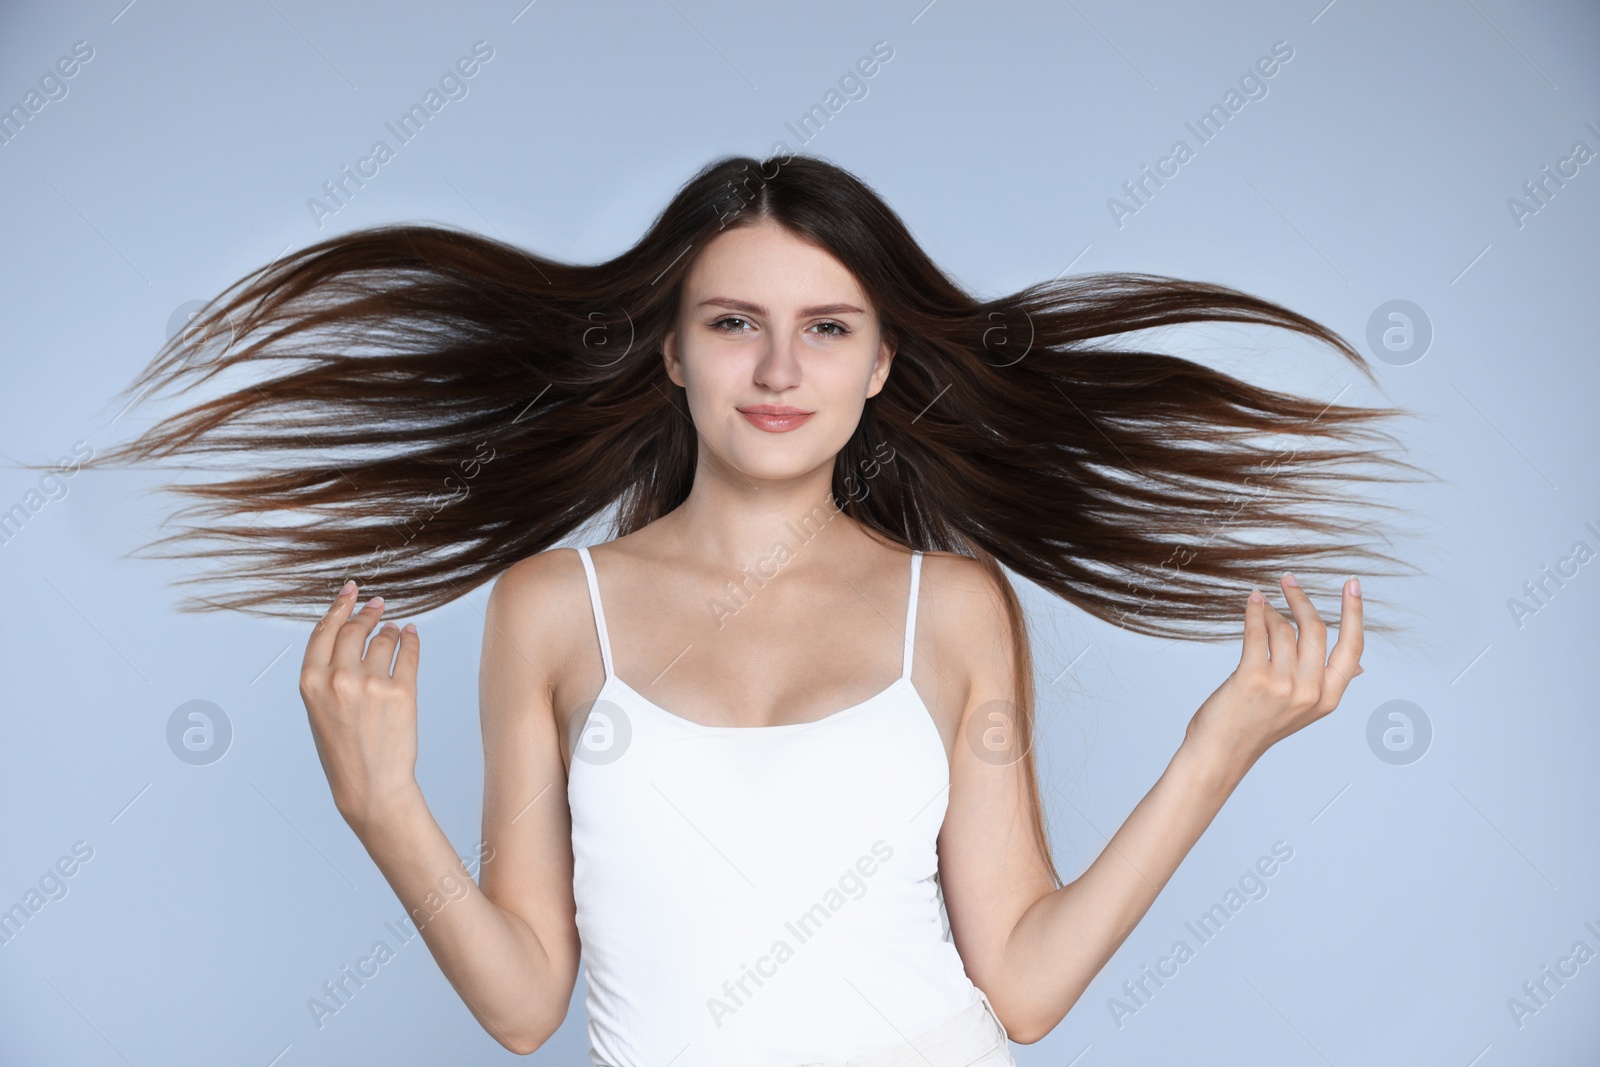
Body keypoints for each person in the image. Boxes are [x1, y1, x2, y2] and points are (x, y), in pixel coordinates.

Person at [90, 153, 1423, 1063]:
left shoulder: (954, 610)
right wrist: (381, 805)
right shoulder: (551, 610)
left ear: (883, 359)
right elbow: (523, 1004)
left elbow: (1020, 981)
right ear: (671, 348)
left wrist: (1221, 747)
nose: (781, 367)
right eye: (735, 323)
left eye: (829, 327)